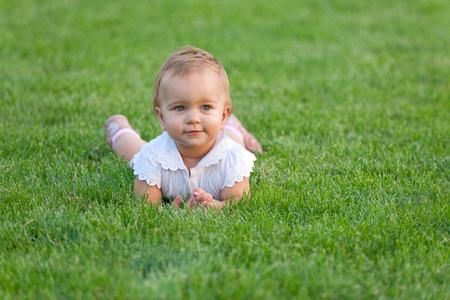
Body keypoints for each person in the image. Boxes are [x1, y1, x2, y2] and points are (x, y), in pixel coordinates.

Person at [105, 46, 262, 210]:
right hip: (162, 151)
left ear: (223, 116)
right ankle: (119, 130)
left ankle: (234, 128)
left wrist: (215, 205)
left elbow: (239, 202)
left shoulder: (232, 158)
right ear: (161, 118)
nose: (193, 118)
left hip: (224, 140)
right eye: (180, 108)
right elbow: (147, 206)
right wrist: (170, 211)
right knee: (133, 151)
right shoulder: (152, 157)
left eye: (206, 107)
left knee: (234, 142)